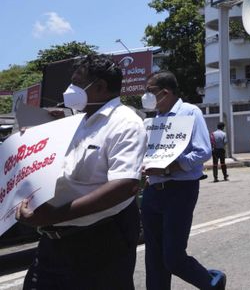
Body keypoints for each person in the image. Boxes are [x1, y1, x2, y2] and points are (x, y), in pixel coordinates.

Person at [17, 54, 147, 290]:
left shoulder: (126, 123)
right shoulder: (75, 122)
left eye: (77, 83)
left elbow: (125, 185)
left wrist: (53, 216)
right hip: (52, 242)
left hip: (99, 242)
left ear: (100, 87)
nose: (70, 89)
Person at [140, 71, 226, 290]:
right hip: (152, 191)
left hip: (180, 190)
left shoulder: (190, 112)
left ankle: (212, 282)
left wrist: (170, 167)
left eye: (149, 91)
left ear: (165, 92)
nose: (145, 96)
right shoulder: (154, 120)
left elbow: (203, 151)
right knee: (154, 258)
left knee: (173, 257)